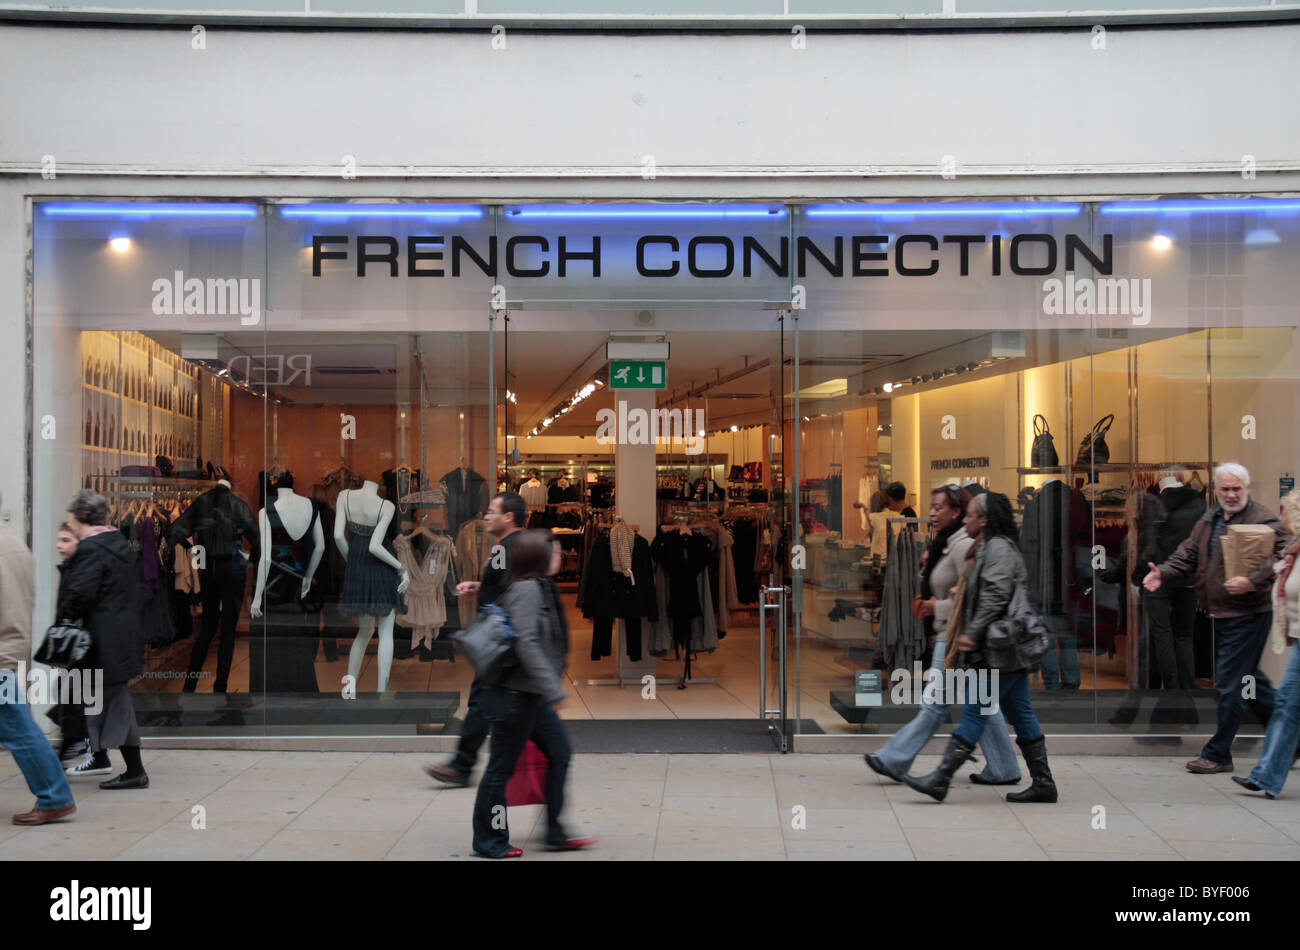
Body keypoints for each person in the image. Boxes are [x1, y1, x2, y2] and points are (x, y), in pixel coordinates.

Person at [904, 492, 1058, 804]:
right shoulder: (987, 546)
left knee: (975, 711)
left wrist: (971, 633)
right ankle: (1044, 782)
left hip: (997, 647)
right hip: (1005, 647)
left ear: (985, 519)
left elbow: (995, 596)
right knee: (1020, 711)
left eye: (971, 515)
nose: (966, 519)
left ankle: (940, 778)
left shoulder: (998, 547)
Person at [865, 485, 1022, 786]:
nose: (932, 513)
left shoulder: (963, 546)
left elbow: (974, 597)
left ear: (957, 511)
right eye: (931, 506)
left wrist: (937, 607)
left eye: (939, 508)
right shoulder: (947, 542)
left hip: (956, 636)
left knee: (937, 703)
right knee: (983, 703)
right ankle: (1004, 767)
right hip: (952, 634)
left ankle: (893, 759)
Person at [1143, 462, 1290, 774]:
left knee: (1228, 683)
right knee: (1255, 686)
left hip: (1248, 613)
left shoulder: (1261, 518)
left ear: (1247, 490)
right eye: (1225, 489)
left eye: (1237, 489)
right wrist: (1164, 573)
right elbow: (1189, 552)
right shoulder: (1211, 517)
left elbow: (1284, 553)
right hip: (1223, 612)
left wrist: (1253, 580)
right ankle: (1291, 742)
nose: (1231, 494)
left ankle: (1219, 752)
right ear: (1218, 490)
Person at [470, 529, 593, 857]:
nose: (560, 557)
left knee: (560, 753)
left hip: (531, 695)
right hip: (513, 696)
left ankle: (556, 832)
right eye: (553, 553)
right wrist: (553, 690)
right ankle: (489, 841)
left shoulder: (540, 587)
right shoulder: (526, 590)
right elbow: (527, 642)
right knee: (500, 769)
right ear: (537, 558)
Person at [426, 490, 525, 786]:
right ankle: (546, 760)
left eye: (492, 512)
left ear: (508, 517)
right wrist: (480, 585)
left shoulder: (504, 548)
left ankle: (462, 765)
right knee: (513, 705)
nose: (486, 517)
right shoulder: (513, 546)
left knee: (482, 703)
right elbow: (507, 584)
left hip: (500, 641)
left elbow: (516, 590)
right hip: (505, 639)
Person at [59, 489, 149, 789]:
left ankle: (134, 770)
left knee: (114, 703)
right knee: (97, 700)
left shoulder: (92, 548)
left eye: (71, 515)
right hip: (118, 635)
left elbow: (80, 594)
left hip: (103, 639)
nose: (68, 521)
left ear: (81, 516)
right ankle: (99, 757)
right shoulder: (116, 541)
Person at [0, 489, 77, 824]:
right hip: (10, 648)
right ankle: (54, 795)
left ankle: (54, 796)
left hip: (1, 653)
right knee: (18, 726)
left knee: (19, 729)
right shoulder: (15, 545)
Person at [1235, 488, 1300, 799]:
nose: (1282, 519)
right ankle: (1266, 777)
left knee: (1288, 707)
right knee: (1287, 707)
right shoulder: (1292, 551)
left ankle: (1266, 776)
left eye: (1286, 512)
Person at [168, 475, 258, 693]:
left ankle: (190, 684)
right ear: (230, 485)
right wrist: (249, 559)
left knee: (207, 628)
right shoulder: (238, 505)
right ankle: (220, 686)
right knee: (228, 630)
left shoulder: (202, 502)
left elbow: (176, 530)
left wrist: (192, 550)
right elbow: (256, 538)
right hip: (232, 569)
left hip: (208, 570)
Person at [47, 523, 89, 764]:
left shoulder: (79, 571)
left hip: (80, 646)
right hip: (73, 645)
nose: (58, 545)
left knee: (73, 697)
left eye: (65, 540)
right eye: (59, 539)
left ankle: (74, 743)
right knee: (68, 695)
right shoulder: (71, 568)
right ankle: (74, 743)